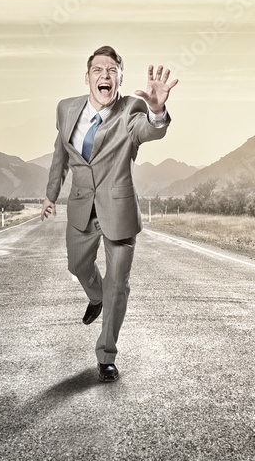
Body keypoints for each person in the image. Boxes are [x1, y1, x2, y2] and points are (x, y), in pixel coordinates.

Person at [40, 45, 177, 382]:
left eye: (112, 70)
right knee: (77, 266)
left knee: (118, 286)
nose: (105, 75)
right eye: (98, 70)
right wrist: (50, 195)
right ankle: (96, 296)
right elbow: (60, 153)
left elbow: (149, 129)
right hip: (81, 207)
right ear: (87, 77)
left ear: (120, 78)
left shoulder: (131, 109)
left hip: (118, 210)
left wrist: (157, 110)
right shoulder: (66, 109)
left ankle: (106, 355)